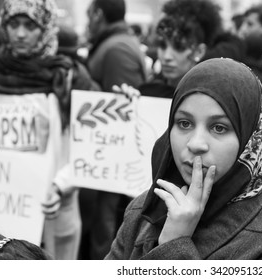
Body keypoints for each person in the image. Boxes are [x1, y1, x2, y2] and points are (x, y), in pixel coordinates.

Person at [106, 58, 262, 260]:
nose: (195, 143)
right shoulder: (141, 211)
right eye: (184, 123)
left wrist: (173, 245)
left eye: (219, 128)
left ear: (251, 142)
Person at [0, 0, 98, 260]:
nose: (19, 34)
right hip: (3, 212)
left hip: (55, 211)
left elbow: (93, 144)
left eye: (30, 26)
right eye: (13, 24)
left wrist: (60, 185)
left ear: (46, 29)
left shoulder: (70, 77)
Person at [80, 0, 147, 260]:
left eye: (89, 14)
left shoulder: (117, 48)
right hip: (103, 164)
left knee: (105, 233)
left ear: (98, 14)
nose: (87, 21)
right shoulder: (115, 43)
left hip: (110, 167)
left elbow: (124, 113)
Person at [138, 0, 222, 99]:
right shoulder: (149, 90)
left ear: (199, 51)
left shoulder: (209, 99)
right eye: (162, 45)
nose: (167, 56)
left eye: (179, 47)